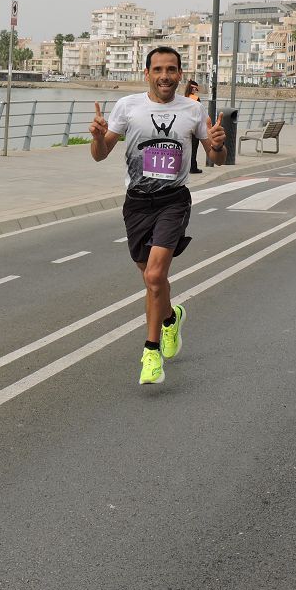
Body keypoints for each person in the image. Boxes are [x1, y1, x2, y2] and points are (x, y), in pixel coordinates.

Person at [89, 46, 227, 385]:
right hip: (136, 203)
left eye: (171, 70)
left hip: (173, 201)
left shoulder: (193, 110)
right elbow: (100, 154)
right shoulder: (128, 106)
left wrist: (220, 145)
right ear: (147, 73)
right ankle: (170, 318)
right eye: (158, 70)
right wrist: (96, 137)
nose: (165, 76)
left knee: (153, 277)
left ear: (180, 74)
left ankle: (151, 353)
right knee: (152, 279)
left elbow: (216, 158)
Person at [185, 79, 202, 173]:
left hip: (185, 126)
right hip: (194, 126)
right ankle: (193, 167)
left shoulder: (184, 98)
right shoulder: (196, 99)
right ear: (193, 89)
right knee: (194, 148)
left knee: (186, 148)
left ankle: (186, 167)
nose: (196, 91)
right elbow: (199, 113)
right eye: (195, 89)